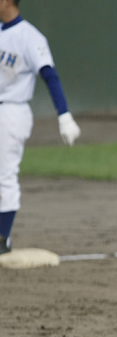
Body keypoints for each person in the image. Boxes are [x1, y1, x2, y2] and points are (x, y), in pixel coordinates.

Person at [0, 0, 80, 255]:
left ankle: (2, 239)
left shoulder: (30, 37)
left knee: (5, 175)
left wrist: (64, 116)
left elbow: (49, 75)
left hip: (11, 112)